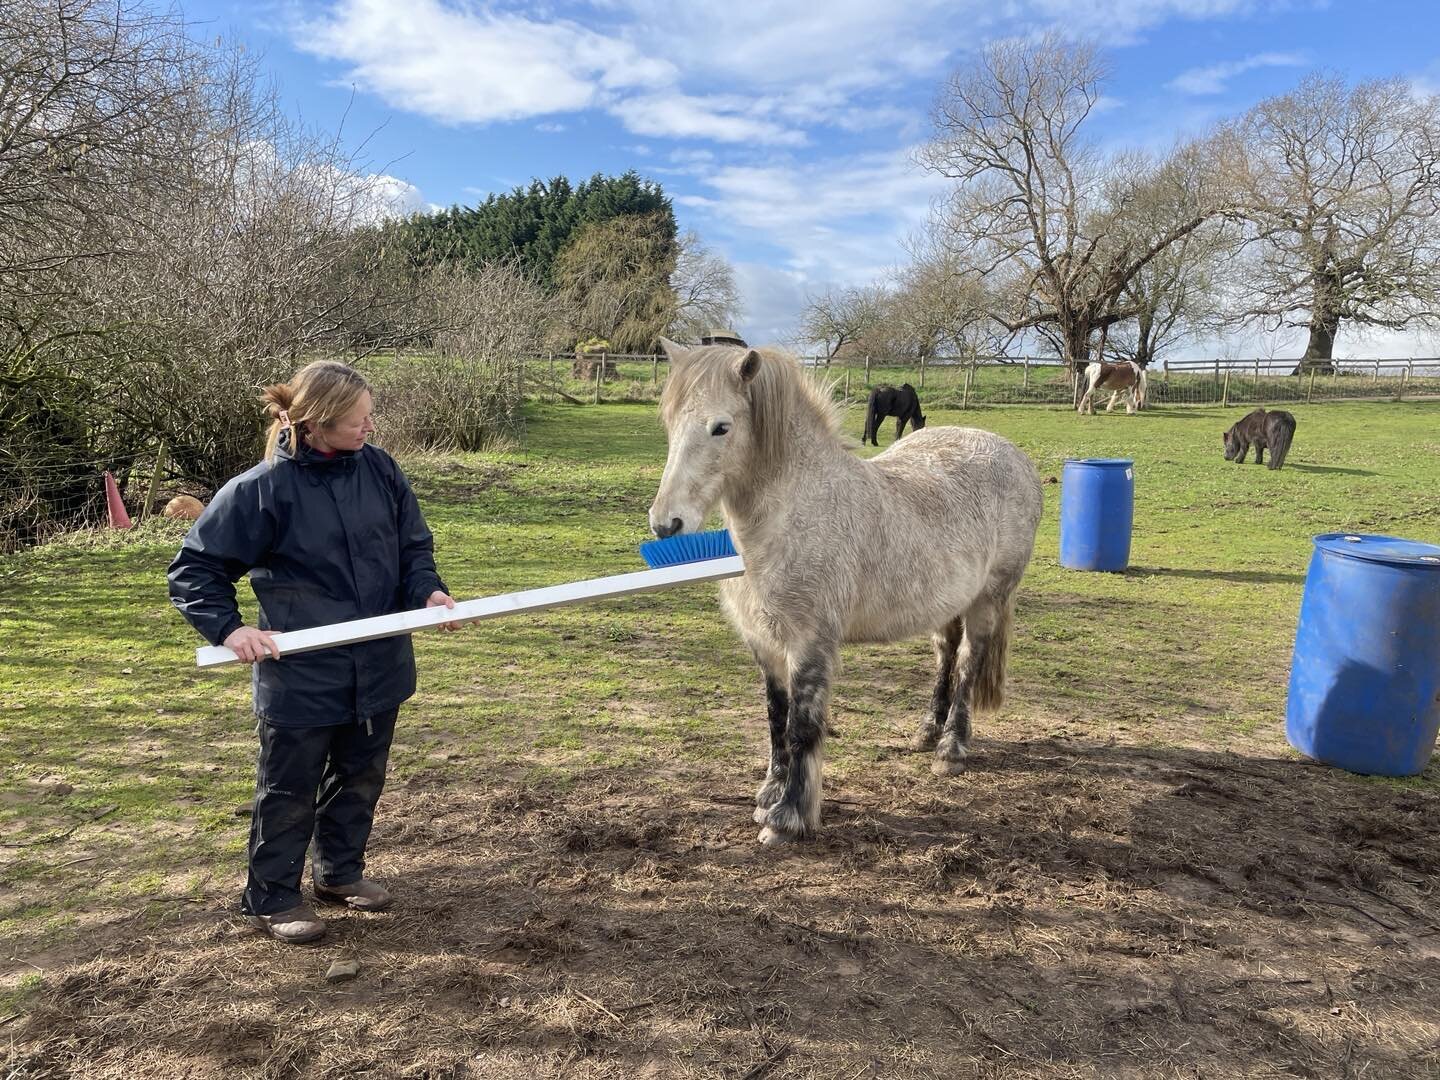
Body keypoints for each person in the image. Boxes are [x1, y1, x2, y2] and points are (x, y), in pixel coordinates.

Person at [168, 360, 460, 944]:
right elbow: (196, 569)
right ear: (317, 424)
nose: (370, 427)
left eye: (371, 415)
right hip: (300, 672)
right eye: (358, 420)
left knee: (360, 776)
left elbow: (412, 547)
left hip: (379, 662)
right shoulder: (262, 488)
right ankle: (272, 895)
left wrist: (426, 590)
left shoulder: (379, 469)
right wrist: (229, 630)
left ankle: (339, 873)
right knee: (289, 787)